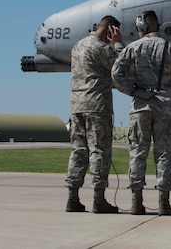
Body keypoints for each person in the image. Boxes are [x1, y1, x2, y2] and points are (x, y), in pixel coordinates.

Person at [111, 10, 171, 216]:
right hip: (164, 107)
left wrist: (134, 91)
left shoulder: (133, 48)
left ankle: (137, 202)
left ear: (141, 29)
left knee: (138, 153)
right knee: (164, 154)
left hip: (140, 108)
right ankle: (164, 202)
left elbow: (116, 73)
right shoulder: (170, 48)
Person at [65, 15, 123, 213]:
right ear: (110, 31)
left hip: (77, 106)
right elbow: (119, 66)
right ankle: (98, 199)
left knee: (78, 151)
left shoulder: (77, 46)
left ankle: (72, 197)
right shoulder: (101, 48)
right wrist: (117, 44)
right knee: (99, 151)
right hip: (97, 106)